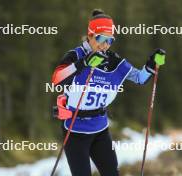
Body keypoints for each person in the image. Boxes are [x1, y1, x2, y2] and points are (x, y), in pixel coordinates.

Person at [51, 9, 165, 176]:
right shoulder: (75, 55)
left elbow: (140, 78)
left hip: (100, 129)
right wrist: (83, 63)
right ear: (90, 36)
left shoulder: (114, 61)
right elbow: (56, 79)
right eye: (101, 38)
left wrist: (151, 66)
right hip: (75, 130)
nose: (105, 45)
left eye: (109, 40)